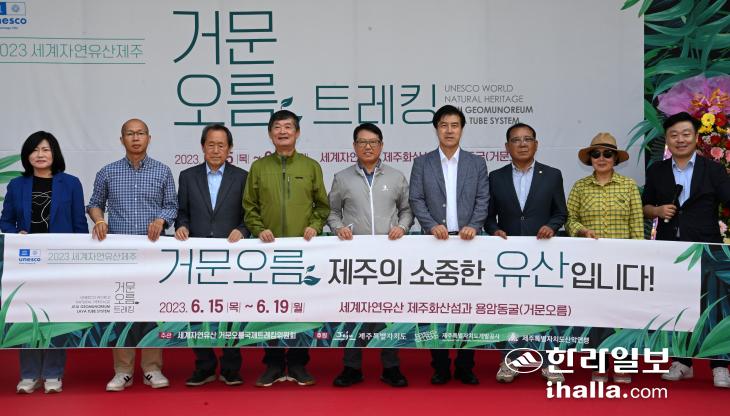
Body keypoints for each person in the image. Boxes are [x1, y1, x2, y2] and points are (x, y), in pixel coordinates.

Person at [87, 119, 177, 391]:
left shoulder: (162, 171)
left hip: (153, 255)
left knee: (152, 309)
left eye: (140, 133)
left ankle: (152, 369)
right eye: (130, 133)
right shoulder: (108, 172)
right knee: (122, 309)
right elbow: (94, 204)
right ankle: (123, 371)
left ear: (149, 138)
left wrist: (161, 220)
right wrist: (99, 220)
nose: (135, 138)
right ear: (121, 139)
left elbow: (172, 206)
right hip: (120, 255)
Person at [642, 111, 730, 389]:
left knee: (714, 305)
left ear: (696, 137)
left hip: (707, 247)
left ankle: (720, 365)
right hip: (670, 248)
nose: (680, 139)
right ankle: (682, 361)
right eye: (674, 135)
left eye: (686, 134)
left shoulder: (713, 169)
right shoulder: (657, 171)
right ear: (667, 139)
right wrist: (657, 210)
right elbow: (645, 206)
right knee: (677, 305)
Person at [243, 110, 330, 387]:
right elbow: (249, 206)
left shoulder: (310, 167)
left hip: (302, 253)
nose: (283, 131)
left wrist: (314, 226)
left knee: (301, 307)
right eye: (277, 127)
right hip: (268, 252)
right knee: (270, 307)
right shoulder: (259, 167)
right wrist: (259, 229)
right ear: (270, 134)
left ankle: (298, 363)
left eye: (288, 127)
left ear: (297, 132)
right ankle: (272, 364)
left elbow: (322, 206)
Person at [328, 123, 413, 388]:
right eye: (362, 142)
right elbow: (332, 212)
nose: (368, 147)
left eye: (373, 142)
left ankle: (391, 367)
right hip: (356, 259)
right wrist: (338, 228)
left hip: (389, 259)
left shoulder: (396, 177)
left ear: (381, 145)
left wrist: (402, 227)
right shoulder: (342, 178)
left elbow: (407, 210)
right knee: (354, 311)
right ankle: (351, 367)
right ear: (354, 146)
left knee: (388, 311)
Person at [1, 131, 87, 394]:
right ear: (27, 155)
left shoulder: (71, 183)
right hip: (27, 262)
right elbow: (5, 221)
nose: (40, 154)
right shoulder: (17, 185)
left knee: (56, 316)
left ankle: (53, 374)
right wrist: (16, 234)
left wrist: (81, 260)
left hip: (61, 262)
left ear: (54, 154)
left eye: (46, 149)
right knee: (27, 316)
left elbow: (79, 225)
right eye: (35, 150)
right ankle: (29, 375)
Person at [409, 105, 489, 385]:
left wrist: (474, 225)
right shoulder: (422, 163)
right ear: (436, 129)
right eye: (444, 125)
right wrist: (431, 225)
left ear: (462, 129)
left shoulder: (476, 163)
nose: (449, 130)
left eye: (455, 125)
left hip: (469, 243)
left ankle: (466, 365)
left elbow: (483, 199)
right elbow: (416, 199)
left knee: (469, 306)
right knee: (437, 306)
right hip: (435, 243)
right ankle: (440, 365)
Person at [485, 123, 567, 384]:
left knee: (545, 309)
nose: (522, 144)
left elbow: (560, 213)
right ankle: (510, 361)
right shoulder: (495, 177)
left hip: (543, 256)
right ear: (507, 147)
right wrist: (495, 230)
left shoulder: (552, 175)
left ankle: (550, 362)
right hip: (509, 258)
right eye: (516, 140)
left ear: (536, 144)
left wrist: (551, 226)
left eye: (527, 139)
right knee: (510, 309)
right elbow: (488, 216)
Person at [174, 124, 249, 387]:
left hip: (232, 256)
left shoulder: (242, 177)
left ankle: (231, 367)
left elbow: (250, 215)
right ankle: (204, 366)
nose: (216, 150)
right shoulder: (187, 176)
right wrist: (182, 226)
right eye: (211, 144)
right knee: (197, 310)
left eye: (221, 145)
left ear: (230, 149)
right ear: (203, 147)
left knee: (231, 310)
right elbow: (181, 212)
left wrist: (242, 230)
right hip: (197, 256)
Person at [566, 132, 643, 383]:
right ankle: (598, 365)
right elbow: (569, 219)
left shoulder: (628, 186)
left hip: (623, 264)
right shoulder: (580, 187)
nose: (602, 158)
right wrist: (582, 231)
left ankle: (622, 364)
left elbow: (637, 227)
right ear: (590, 158)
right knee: (595, 315)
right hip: (590, 265)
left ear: (615, 158)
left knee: (624, 314)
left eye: (607, 154)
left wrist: (638, 260)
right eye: (596, 154)